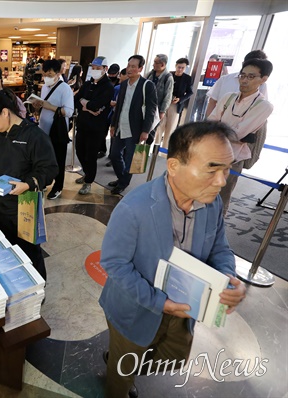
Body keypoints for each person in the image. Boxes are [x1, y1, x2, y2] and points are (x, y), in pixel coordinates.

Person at [99, 121, 247, 398]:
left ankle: (120, 364)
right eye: (212, 169)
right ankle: (118, 371)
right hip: (136, 309)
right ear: (174, 166)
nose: (222, 181)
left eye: (227, 169)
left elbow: (220, 248)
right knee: (120, 377)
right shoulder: (134, 208)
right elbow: (114, 265)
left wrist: (228, 277)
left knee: (175, 358)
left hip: (185, 305)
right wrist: (159, 302)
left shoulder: (212, 203)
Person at [0, 89, 58, 280]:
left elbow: (49, 170)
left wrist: (27, 185)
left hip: (23, 209)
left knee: (30, 254)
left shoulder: (34, 136)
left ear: (5, 112)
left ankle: (37, 292)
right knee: (5, 252)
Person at [208, 58, 274, 215]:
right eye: (242, 75)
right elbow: (210, 123)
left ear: (263, 79)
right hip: (210, 154)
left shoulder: (264, 106)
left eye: (251, 77)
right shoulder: (228, 97)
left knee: (219, 203)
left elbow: (238, 133)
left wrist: (219, 130)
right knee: (199, 197)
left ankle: (212, 237)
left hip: (232, 159)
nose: (244, 80)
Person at [108, 55, 157, 195]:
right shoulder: (123, 84)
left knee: (130, 158)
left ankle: (123, 183)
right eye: (129, 65)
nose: (129, 69)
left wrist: (146, 130)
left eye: (133, 66)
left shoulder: (147, 85)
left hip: (135, 129)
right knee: (114, 154)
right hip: (120, 127)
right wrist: (113, 124)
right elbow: (119, 107)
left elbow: (150, 110)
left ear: (140, 69)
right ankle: (121, 178)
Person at [28, 59, 74, 200]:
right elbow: (43, 106)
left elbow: (69, 111)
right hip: (44, 128)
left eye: (49, 74)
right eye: (44, 74)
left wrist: (49, 106)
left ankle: (58, 186)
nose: (46, 77)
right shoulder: (44, 87)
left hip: (57, 130)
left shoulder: (65, 88)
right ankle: (44, 183)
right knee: (43, 159)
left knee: (58, 159)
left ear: (58, 73)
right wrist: (37, 106)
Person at [74, 56, 114, 195]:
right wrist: (88, 107)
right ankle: (87, 173)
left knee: (90, 155)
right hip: (83, 124)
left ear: (105, 69)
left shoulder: (108, 86)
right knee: (79, 151)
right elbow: (75, 100)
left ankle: (89, 181)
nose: (95, 70)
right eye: (93, 68)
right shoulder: (87, 84)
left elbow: (96, 105)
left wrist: (87, 104)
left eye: (98, 68)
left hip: (96, 128)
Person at [205, 50, 268, 118]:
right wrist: (210, 125)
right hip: (218, 125)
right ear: (243, 64)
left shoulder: (262, 85)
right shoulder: (224, 80)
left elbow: (259, 110)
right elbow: (212, 102)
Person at [162, 58, 194, 149]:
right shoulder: (169, 75)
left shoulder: (187, 78)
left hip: (176, 105)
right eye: (179, 67)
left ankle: (164, 149)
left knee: (170, 128)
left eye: (182, 68)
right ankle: (155, 147)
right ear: (176, 66)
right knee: (160, 125)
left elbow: (190, 92)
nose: (180, 69)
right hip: (165, 103)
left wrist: (180, 99)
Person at [145, 54, 174, 144]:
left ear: (162, 64)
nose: (153, 64)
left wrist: (162, 111)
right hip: (145, 106)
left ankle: (144, 153)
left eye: (155, 62)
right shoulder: (151, 73)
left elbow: (168, 96)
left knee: (151, 131)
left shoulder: (168, 77)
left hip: (156, 110)